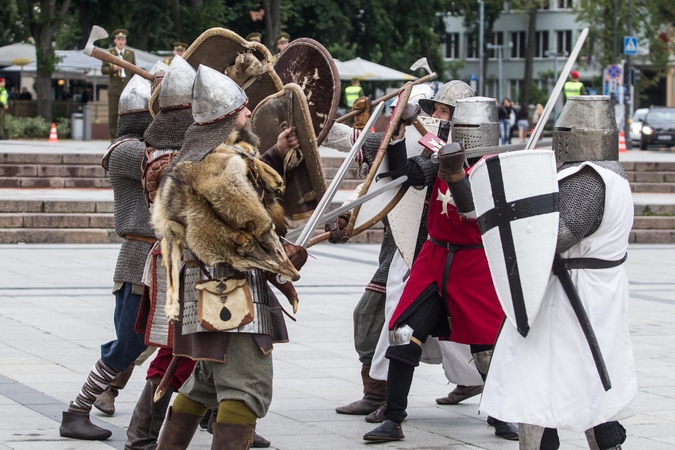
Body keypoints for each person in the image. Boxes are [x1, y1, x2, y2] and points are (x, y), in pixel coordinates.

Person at [151, 65, 305, 450]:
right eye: (241, 107)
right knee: (245, 387)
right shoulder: (223, 165)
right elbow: (254, 227)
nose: (249, 111)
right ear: (224, 117)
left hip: (204, 285)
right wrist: (283, 261)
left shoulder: (193, 157)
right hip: (231, 291)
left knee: (204, 382)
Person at [481, 95, 636, 450]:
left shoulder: (587, 179)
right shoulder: (616, 176)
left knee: (534, 384)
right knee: (590, 378)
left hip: (568, 297)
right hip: (600, 291)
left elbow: (552, 240)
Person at [363, 97, 519, 443]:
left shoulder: (499, 168)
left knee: (486, 346)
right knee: (403, 333)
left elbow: (474, 212)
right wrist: (401, 129)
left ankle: (502, 412)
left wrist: (456, 172)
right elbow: (408, 173)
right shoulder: (438, 155)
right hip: (434, 258)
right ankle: (393, 418)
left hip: (475, 264)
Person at [59, 75, 154, 440]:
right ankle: (78, 410)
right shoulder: (127, 150)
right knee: (130, 342)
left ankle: (209, 411)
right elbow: (175, 163)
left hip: (162, 259)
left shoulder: (144, 146)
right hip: (139, 260)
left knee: (184, 342)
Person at [101, 29, 136, 141]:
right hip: (114, 88)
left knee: (127, 114)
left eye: (123, 39)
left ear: (125, 41)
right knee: (113, 115)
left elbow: (134, 70)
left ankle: (126, 138)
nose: (121, 41)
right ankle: (113, 139)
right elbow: (104, 70)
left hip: (127, 88)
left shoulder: (130, 53)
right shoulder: (109, 52)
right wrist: (113, 68)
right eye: (119, 39)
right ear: (115, 41)